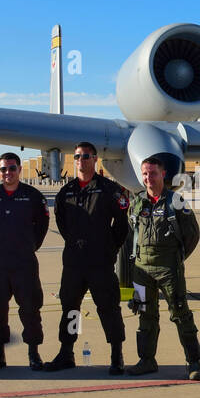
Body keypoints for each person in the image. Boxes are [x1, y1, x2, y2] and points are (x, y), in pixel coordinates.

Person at [45, 142, 129, 374]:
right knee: (70, 307)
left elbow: (122, 225)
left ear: (95, 159)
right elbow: (62, 224)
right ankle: (66, 352)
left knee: (108, 307)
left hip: (100, 261)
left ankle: (116, 354)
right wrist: (75, 243)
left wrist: (110, 248)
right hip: (74, 262)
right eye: (78, 157)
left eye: (86, 156)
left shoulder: (110, 190)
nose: (81, 160)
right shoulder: (67, 192)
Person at [126, 156, 200, 380]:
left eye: (152, 173)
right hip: (142, 271)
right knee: (144, 315)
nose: (148, 178)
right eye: (145, 174)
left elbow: (192, 235)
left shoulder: (175, 202)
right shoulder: (137, 202)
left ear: (163, 175)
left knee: (181, 314)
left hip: (169, 269)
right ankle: (147, 360)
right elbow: (133, 229)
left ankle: (194, 362)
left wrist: (176, 259)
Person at [0, 152, 50, 372]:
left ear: (19, 170)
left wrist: (29, 246)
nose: (7, 172)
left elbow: (42, 226)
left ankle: (34, 354)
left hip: (24, 263)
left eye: (12, 168)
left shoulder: (33, 196)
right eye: (3, 169)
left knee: (30, 309)